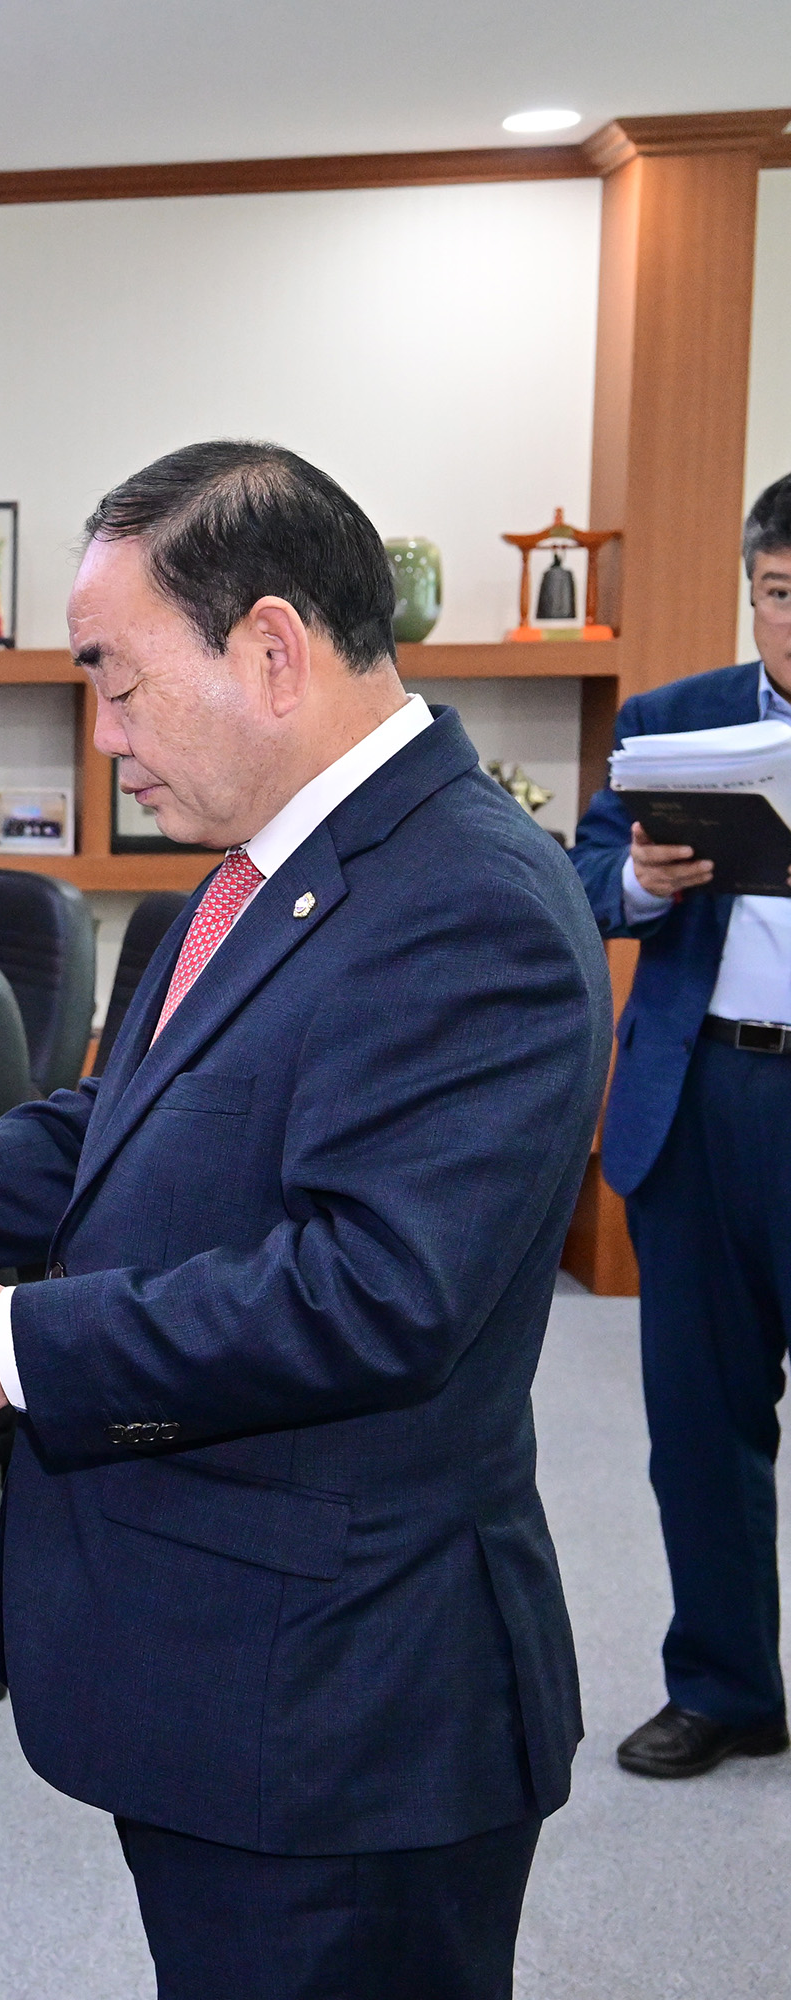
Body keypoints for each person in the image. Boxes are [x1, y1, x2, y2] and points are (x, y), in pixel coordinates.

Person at [0, 442, 608, 1999]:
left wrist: (12, 1343)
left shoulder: (468, 902)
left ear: (275, 650)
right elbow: (112, 1132)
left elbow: (376, 1291)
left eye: (118, 682)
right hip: (236, 1679)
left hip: (348, 1713)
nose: (103, 740)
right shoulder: (258, 880)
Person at [569, 470, 791, 1780]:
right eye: (780, 597)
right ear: (754, 592)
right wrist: (643, 885)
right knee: (700, 1423)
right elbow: (584, 880)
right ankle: (724, 1685)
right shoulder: (677, 725)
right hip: (705, 1098)